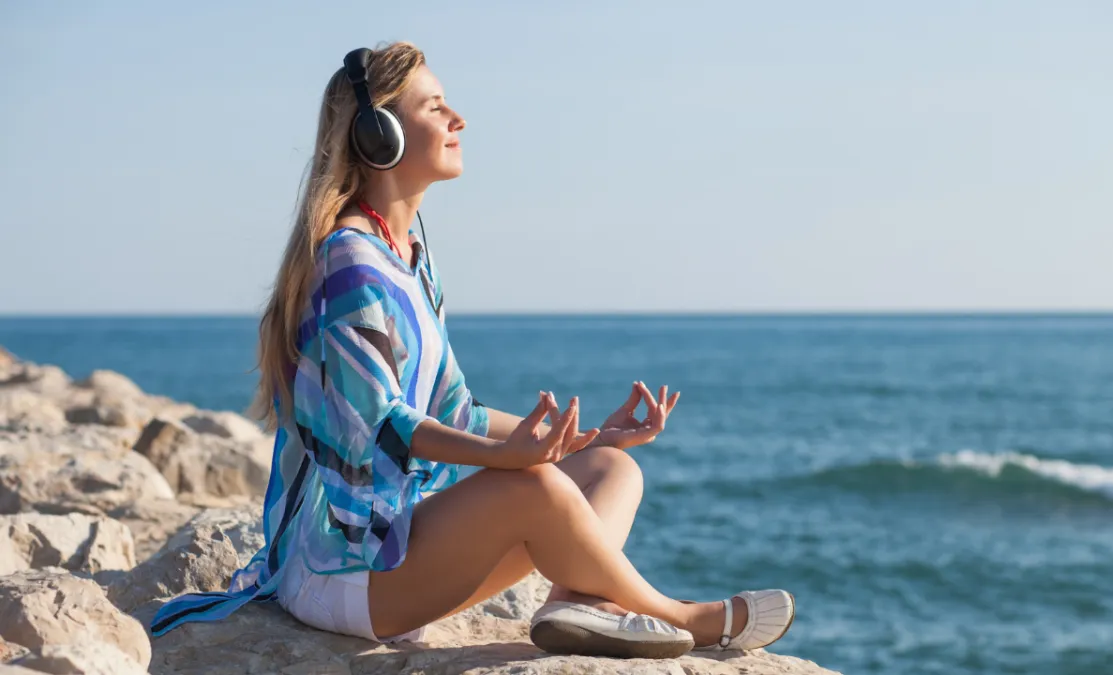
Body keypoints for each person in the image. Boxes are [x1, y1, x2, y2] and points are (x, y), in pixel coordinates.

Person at [151, 41, 795, 659]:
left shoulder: (409, 262)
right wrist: (507, 459)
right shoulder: (350, 264)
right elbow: (383, 427)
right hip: (338, 571)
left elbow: (454, 410)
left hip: (392, 551)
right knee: (533, 488)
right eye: (435, 107)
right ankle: (682, 617)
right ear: (380, 137)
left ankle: (573, 605)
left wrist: (587, 437)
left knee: (610, 471)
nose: (459, 118)